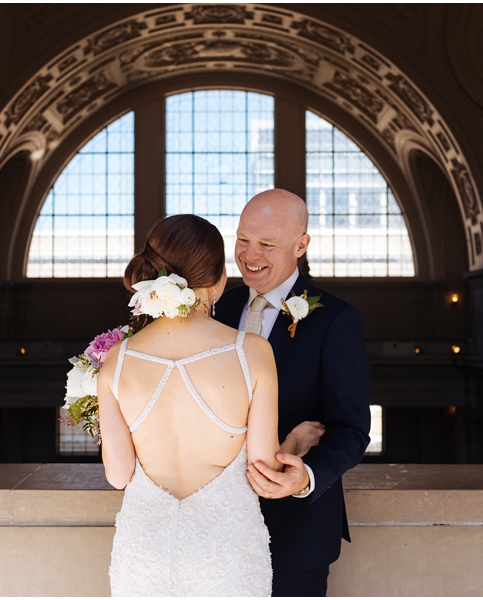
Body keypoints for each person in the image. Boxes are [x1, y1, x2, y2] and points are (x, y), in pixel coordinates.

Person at [97, 214, 321, 596]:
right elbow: (263, 469)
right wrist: (298, 442)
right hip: (224, 554)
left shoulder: (117, 360)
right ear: (219, 281)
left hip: (145, 554)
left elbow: (118, 476)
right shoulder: (250, 352)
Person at [214, 188, 372, 597]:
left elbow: (350, 430)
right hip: (213, 531)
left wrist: (306, 477)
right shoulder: (215, 310)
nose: (250, 254)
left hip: (294, 536)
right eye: (243, 239)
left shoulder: (336, 319)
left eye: (267, 244)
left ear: (301, 245)